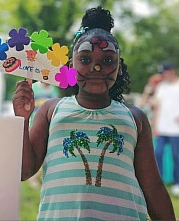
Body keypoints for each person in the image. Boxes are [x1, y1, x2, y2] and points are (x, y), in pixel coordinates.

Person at [13, 7, 176, 220]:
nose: (96, 68)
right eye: (85, 59)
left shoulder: (134, 118)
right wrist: (22, 120)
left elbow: (153, 186)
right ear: (71, 65)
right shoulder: (51, 111)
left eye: (107, 61)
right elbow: (25, 171)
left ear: (118, 67)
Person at [153, 61, 179, 196]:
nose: (163, 76)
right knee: (158, 153)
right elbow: (157, 107)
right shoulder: (161, 87)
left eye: (164, 73)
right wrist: (155, 125)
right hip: (162, 128)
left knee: (177, 156)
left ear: (171, 71)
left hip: (176, 129)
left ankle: (176, 183)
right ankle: (159, 182)